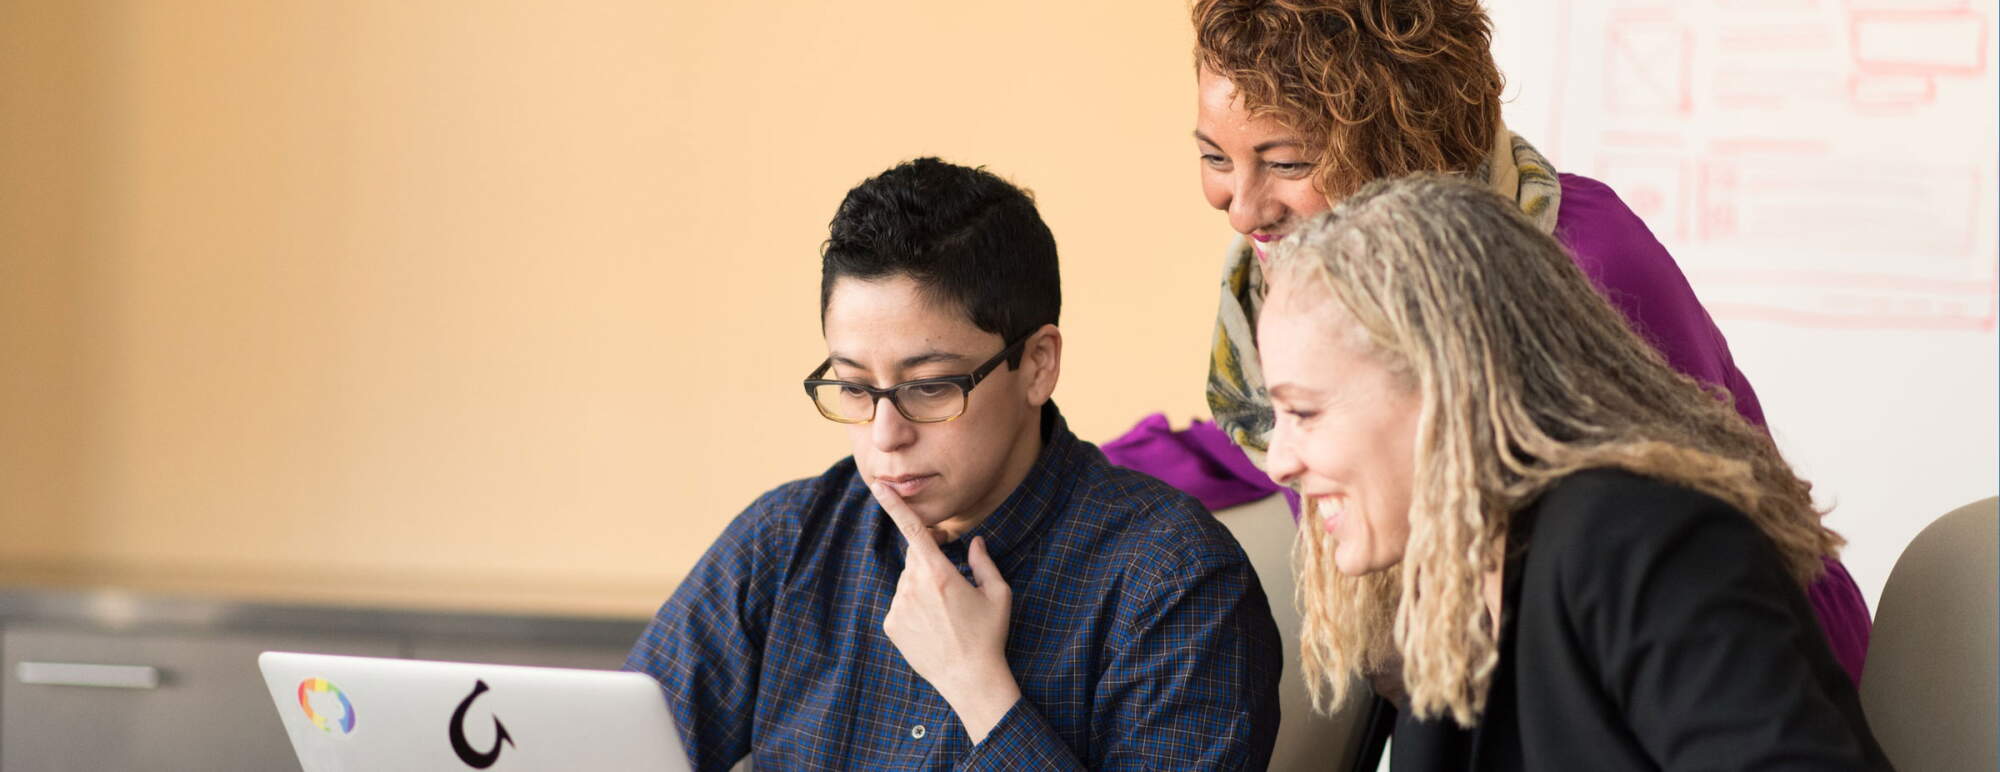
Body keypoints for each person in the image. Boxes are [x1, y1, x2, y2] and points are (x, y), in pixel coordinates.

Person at [1167, 0, 1871, 682]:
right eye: (1215, 157)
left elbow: (1696, 547)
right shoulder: (1283, 278)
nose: (1242, 209)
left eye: (1287, 163)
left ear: (1398, 145)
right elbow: (1283, 429)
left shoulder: (1582, 260)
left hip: (1729, 674)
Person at [625, 158, 1282, 771]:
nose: (885, 436)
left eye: (930, 386)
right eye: (855, 387)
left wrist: (979, 687)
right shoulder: (787, 541)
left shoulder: (1176, 583)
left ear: (1038, 364)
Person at [1256, 174, 1889, 770]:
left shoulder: (1646, 543)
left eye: (1305, 412)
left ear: (1450, 388)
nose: (1279, 461)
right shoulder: (1457, 575)